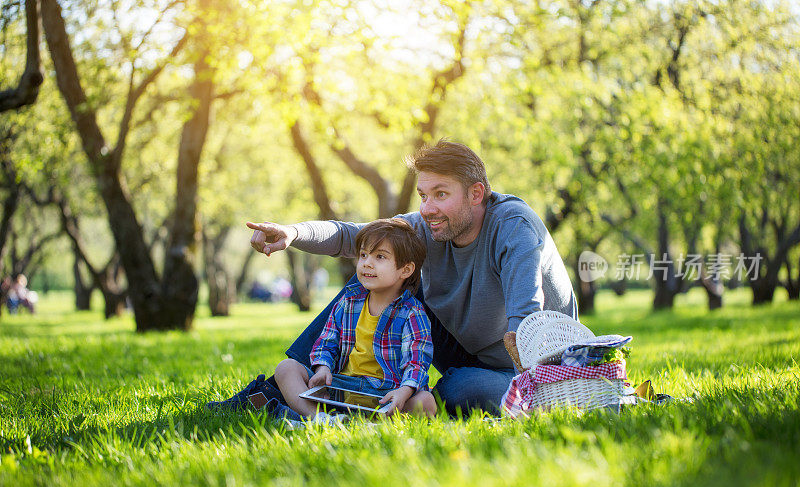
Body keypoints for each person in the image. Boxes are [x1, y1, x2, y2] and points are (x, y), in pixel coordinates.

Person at [216, 139, 577, 416]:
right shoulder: (430, 226)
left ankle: (384, 399)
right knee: (374, 270)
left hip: (524, 363)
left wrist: (528, 388)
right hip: (461, 348)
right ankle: (291, 385)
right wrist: (293, 233)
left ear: (476, 194)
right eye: (423, 195)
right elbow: (353, 236)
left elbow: (526, 316)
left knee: (459, 391)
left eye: (440, 195)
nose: (427, 208)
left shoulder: (513, 226)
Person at [209, 219, 437, 420]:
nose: (367, 263)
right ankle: (321, 419)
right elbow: (327, 340)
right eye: (364, 255)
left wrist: (404, 392)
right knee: (286, 368)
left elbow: (417, 360)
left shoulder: (412, 313)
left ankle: (373, 421)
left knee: (426, 401)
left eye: (380, 257)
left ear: (405, 270)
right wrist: (323, 368)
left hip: (386, 394)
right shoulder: (349, 302)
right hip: (342, 388)